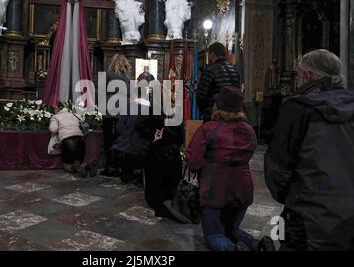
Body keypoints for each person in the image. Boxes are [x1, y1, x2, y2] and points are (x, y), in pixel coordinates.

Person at [265, 49, 354, 251]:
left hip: (308, 217)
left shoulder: (299, 108)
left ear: (306, 75)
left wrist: (292, 197)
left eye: (297, 75)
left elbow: (278, 168)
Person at [186, 87, 265, 251]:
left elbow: (194, 161)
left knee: (214, 234)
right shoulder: (249, 130)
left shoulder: (209, 128)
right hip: (243, 190)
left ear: (218, 106)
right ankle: (258, 245)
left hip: (215, 189)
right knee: (232, 229)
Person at [141, 112, 188, 223]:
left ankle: (166, 207)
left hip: (160, 152)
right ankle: (169, 206)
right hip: (168, 153)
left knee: (158, 186)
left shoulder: (153, 114)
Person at [101, 54, 131, 177]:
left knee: (108, 139)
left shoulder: (107, 75)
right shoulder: (126, 77)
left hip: (108, 110)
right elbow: (130, 94)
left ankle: (109, 166)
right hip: (123, 110)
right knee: (121, 138)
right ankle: (119, 167)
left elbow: (100, 92)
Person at [196, 42, 241, 121]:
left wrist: (205, 112)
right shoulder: (234, 70)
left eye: (209, 54)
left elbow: (201, 96)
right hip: (233, 115)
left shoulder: (210, 70)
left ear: (212, 54)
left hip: (215, 116)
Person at [49, 108, 96, 178]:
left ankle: (75, 168)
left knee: (66, 164)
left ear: (57, 111)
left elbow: (53, 130)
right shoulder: (74, 115)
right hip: (80, 139)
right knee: (80, 161)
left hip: (67, 141)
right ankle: (88, 166)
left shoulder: (55, 117)